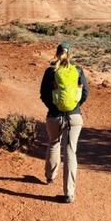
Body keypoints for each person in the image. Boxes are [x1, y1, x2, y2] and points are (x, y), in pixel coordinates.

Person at [39, 42, 89, 203]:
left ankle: (50, 176)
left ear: (56, 53)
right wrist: (75, 107)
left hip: (54, 116)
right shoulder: (78, 71)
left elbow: (43, 94)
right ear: (70, 54)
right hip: (74, 117)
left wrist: (53, 107)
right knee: (70, 151)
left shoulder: (50, 71)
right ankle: (69, 193)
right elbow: (85, 92)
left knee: (54, 142)